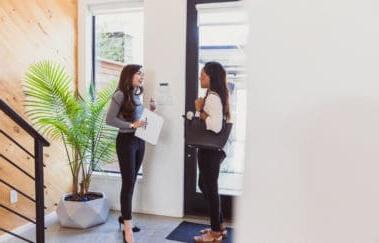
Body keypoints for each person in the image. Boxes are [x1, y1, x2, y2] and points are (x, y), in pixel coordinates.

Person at [106, 64, 155, 243]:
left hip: (139, 141)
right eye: (138, 74)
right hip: (126, 142)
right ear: (129, 76)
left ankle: (123, 218)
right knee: (128, 183)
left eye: (142, 74)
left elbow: (138, 119)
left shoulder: (136, 95)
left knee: (132, 181)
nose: (142, 76)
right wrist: (131, 126)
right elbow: (109, 119)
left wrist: (150, 111)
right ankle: (128, 227)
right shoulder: (119, 95)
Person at [193, 62, 232, 243]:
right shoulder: (216, 95)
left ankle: (215, 231)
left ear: (211, 77)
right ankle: (219, 224)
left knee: (210, 187)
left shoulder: (213, 97)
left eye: (203, 75)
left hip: (211, 149)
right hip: (213, 149)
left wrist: (200, 109)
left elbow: (215, 127)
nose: (200, 78)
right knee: (206, 185)